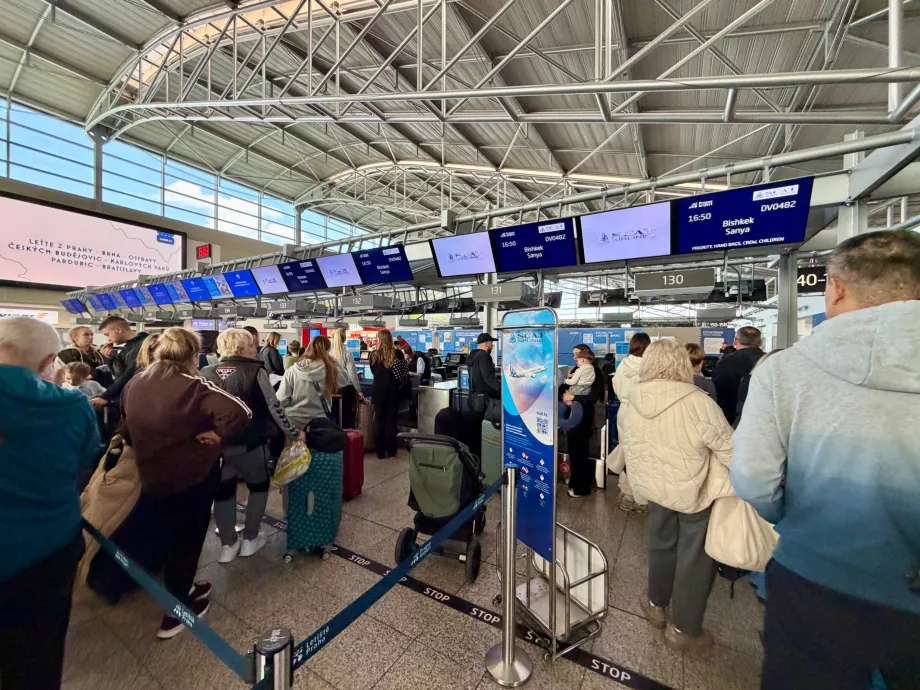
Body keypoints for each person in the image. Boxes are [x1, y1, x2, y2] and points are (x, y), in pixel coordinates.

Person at [732, 230, 920, 689]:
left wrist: (792, 515)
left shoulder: (784, 371)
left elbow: (754, 479)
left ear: (835, 287)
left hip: (812, 578)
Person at [120, 327, 251, 639]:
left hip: (151, 472)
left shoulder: (136, 381)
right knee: (188, 537)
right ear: (194, 356)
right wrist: (218, 435)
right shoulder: (191, 384)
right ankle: (176, 610)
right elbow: (239, 412)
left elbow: (125, 420)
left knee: (166, 530)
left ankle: (179, 585)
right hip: (190, 474)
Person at [0, 317, 100, 689]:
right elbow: (85, 458)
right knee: (36, 656)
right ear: (49, 361)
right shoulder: (73, 405)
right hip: (47, 547)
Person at [622, 339, 733, 651]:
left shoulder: (635, 397)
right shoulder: (698, 402)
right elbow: (732, 451)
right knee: (694, 559)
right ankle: (683, 629)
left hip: (656, 488)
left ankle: (656, 604)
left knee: (660, 544)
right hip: (693, 493)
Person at [202, 329, 302, 562]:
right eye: (250, 345)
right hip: (251, 443)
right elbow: (274, 407)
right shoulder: (255, 370)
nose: (255, 348)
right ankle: (250, 538)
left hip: (218, 448)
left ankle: (228, 545)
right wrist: (293, 434)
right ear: (239, 348)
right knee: (258, 488)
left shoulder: (206, 372)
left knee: (224, 493)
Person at [612, 332, 651, 511]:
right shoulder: (649, 367)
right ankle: (641, 497)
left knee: (625, 451)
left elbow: (615, 385)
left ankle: (626, 493)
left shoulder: (623, 365)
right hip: (643, 412)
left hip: (624, 411)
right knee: (642, 455)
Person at [278, 335, 350, 431]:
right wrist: (334, 361)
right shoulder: (329, 370)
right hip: (319, 422)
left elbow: (281, 399)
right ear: (328, 351)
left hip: (294, 424)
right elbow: (345, 380)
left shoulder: (292, 371)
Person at [563, 344, 605, 498]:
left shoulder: (595, 373)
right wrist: (564, 396)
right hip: (571, 413)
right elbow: (564, 386)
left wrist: (573, 397)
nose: (575, 358)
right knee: (573, 449)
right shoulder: (577, 369)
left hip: (583, 414)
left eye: (577, 355)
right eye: (574, 355)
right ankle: (575, 481)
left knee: (580, 450)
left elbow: (592, 396)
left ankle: (582, 487)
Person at [90, 316, 149, 410]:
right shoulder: (129, 346)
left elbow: (128, 375)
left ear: (118, 329)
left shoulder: (142, 346)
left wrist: (106, 396)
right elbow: (118, 373)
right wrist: (110, 358)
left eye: (107, 334)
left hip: (141, 398)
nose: (108, 339)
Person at [368, 330, 410, 458]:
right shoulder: (397, 353)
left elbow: (374, 372)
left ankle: (380, 452)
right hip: (393, 392)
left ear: (379, 339)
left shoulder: (374, 354)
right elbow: (403, 373)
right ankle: (392, 450)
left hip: (378, 391)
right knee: (392, 421)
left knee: (379, 421)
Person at [712, 326, 763, 424]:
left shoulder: (725, 362)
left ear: (735, 341)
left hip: (731, 417)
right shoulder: (770, 361)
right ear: (760, 342)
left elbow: (717, 391)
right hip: (763, 419)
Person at [466, 333, 501, 424]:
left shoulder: (472, 356)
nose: (492, 345)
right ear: (486, 344)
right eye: (491, 343)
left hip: (474, 400)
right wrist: (501, 391)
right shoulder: (484, 356)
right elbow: (488, 378)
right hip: (486, 401)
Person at [331, 327, 361, 428]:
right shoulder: (347, 354)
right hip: (346, 391)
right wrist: (358, 390)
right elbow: (352, 375)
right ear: (344, 339)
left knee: (334, 417)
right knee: (347, 420)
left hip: (332, 390)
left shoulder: (328, 353)